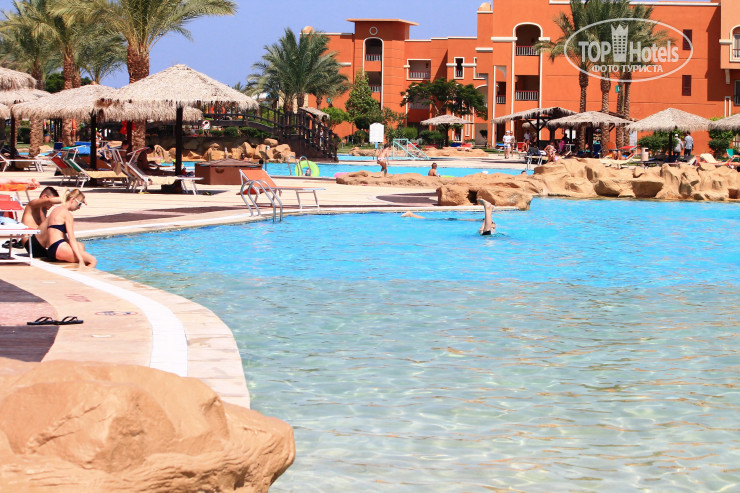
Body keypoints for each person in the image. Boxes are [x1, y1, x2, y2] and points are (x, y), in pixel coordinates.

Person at [36, 189, 96, 268]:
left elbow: (61, 234)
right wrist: (80, 259)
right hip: (59, 248)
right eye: (79, 204)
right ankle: (81, 273)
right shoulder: (67, 214)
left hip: (52, 249)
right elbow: (72, 239)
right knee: (92, 261)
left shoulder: (56, 210)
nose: (79, 208)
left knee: (80, 245)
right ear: (72, 200)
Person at [20, 187, 61, 255]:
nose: (53, 204)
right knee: (55, 215)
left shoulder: (44, 210)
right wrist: (69, 199)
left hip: (39, 244)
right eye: (53, 202)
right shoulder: (32, 204)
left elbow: (45, 229)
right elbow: (50, 201)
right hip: (30, 242)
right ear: (44, 196)